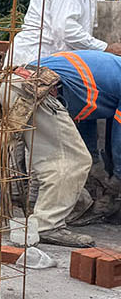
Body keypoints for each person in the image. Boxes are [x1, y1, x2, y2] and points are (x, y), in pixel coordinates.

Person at [11, 48, 121, 246]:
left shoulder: (102, 70)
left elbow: (86, 117)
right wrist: (118, 177)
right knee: (74, 161)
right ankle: (47, 226)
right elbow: (120, 135)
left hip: (15, 84)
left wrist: (95, 159)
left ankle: (38, 213)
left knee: (48, 160)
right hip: (39, 91)